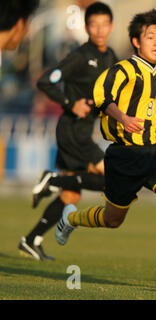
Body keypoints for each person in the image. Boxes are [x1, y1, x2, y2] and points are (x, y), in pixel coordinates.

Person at [54, 9, 156, 255]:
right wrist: (123, 117)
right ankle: (70, 219)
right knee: (113, 220)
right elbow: (102, 98)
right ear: (136, 41)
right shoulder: (122, 70)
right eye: (151, 37)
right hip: (123, 155)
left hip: (153, 151)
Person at [19, 2, 117, 260]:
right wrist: (70, 103)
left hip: (83, 131)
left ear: (111, 26)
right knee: (112, 180)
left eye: (103, 24)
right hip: (73, 131)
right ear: (86, 27)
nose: (99, 30)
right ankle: (52, 179)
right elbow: (44, 81)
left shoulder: (112, 57)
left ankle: (31, 240)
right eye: (93, 24)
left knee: (71, 194)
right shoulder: (80, 56)